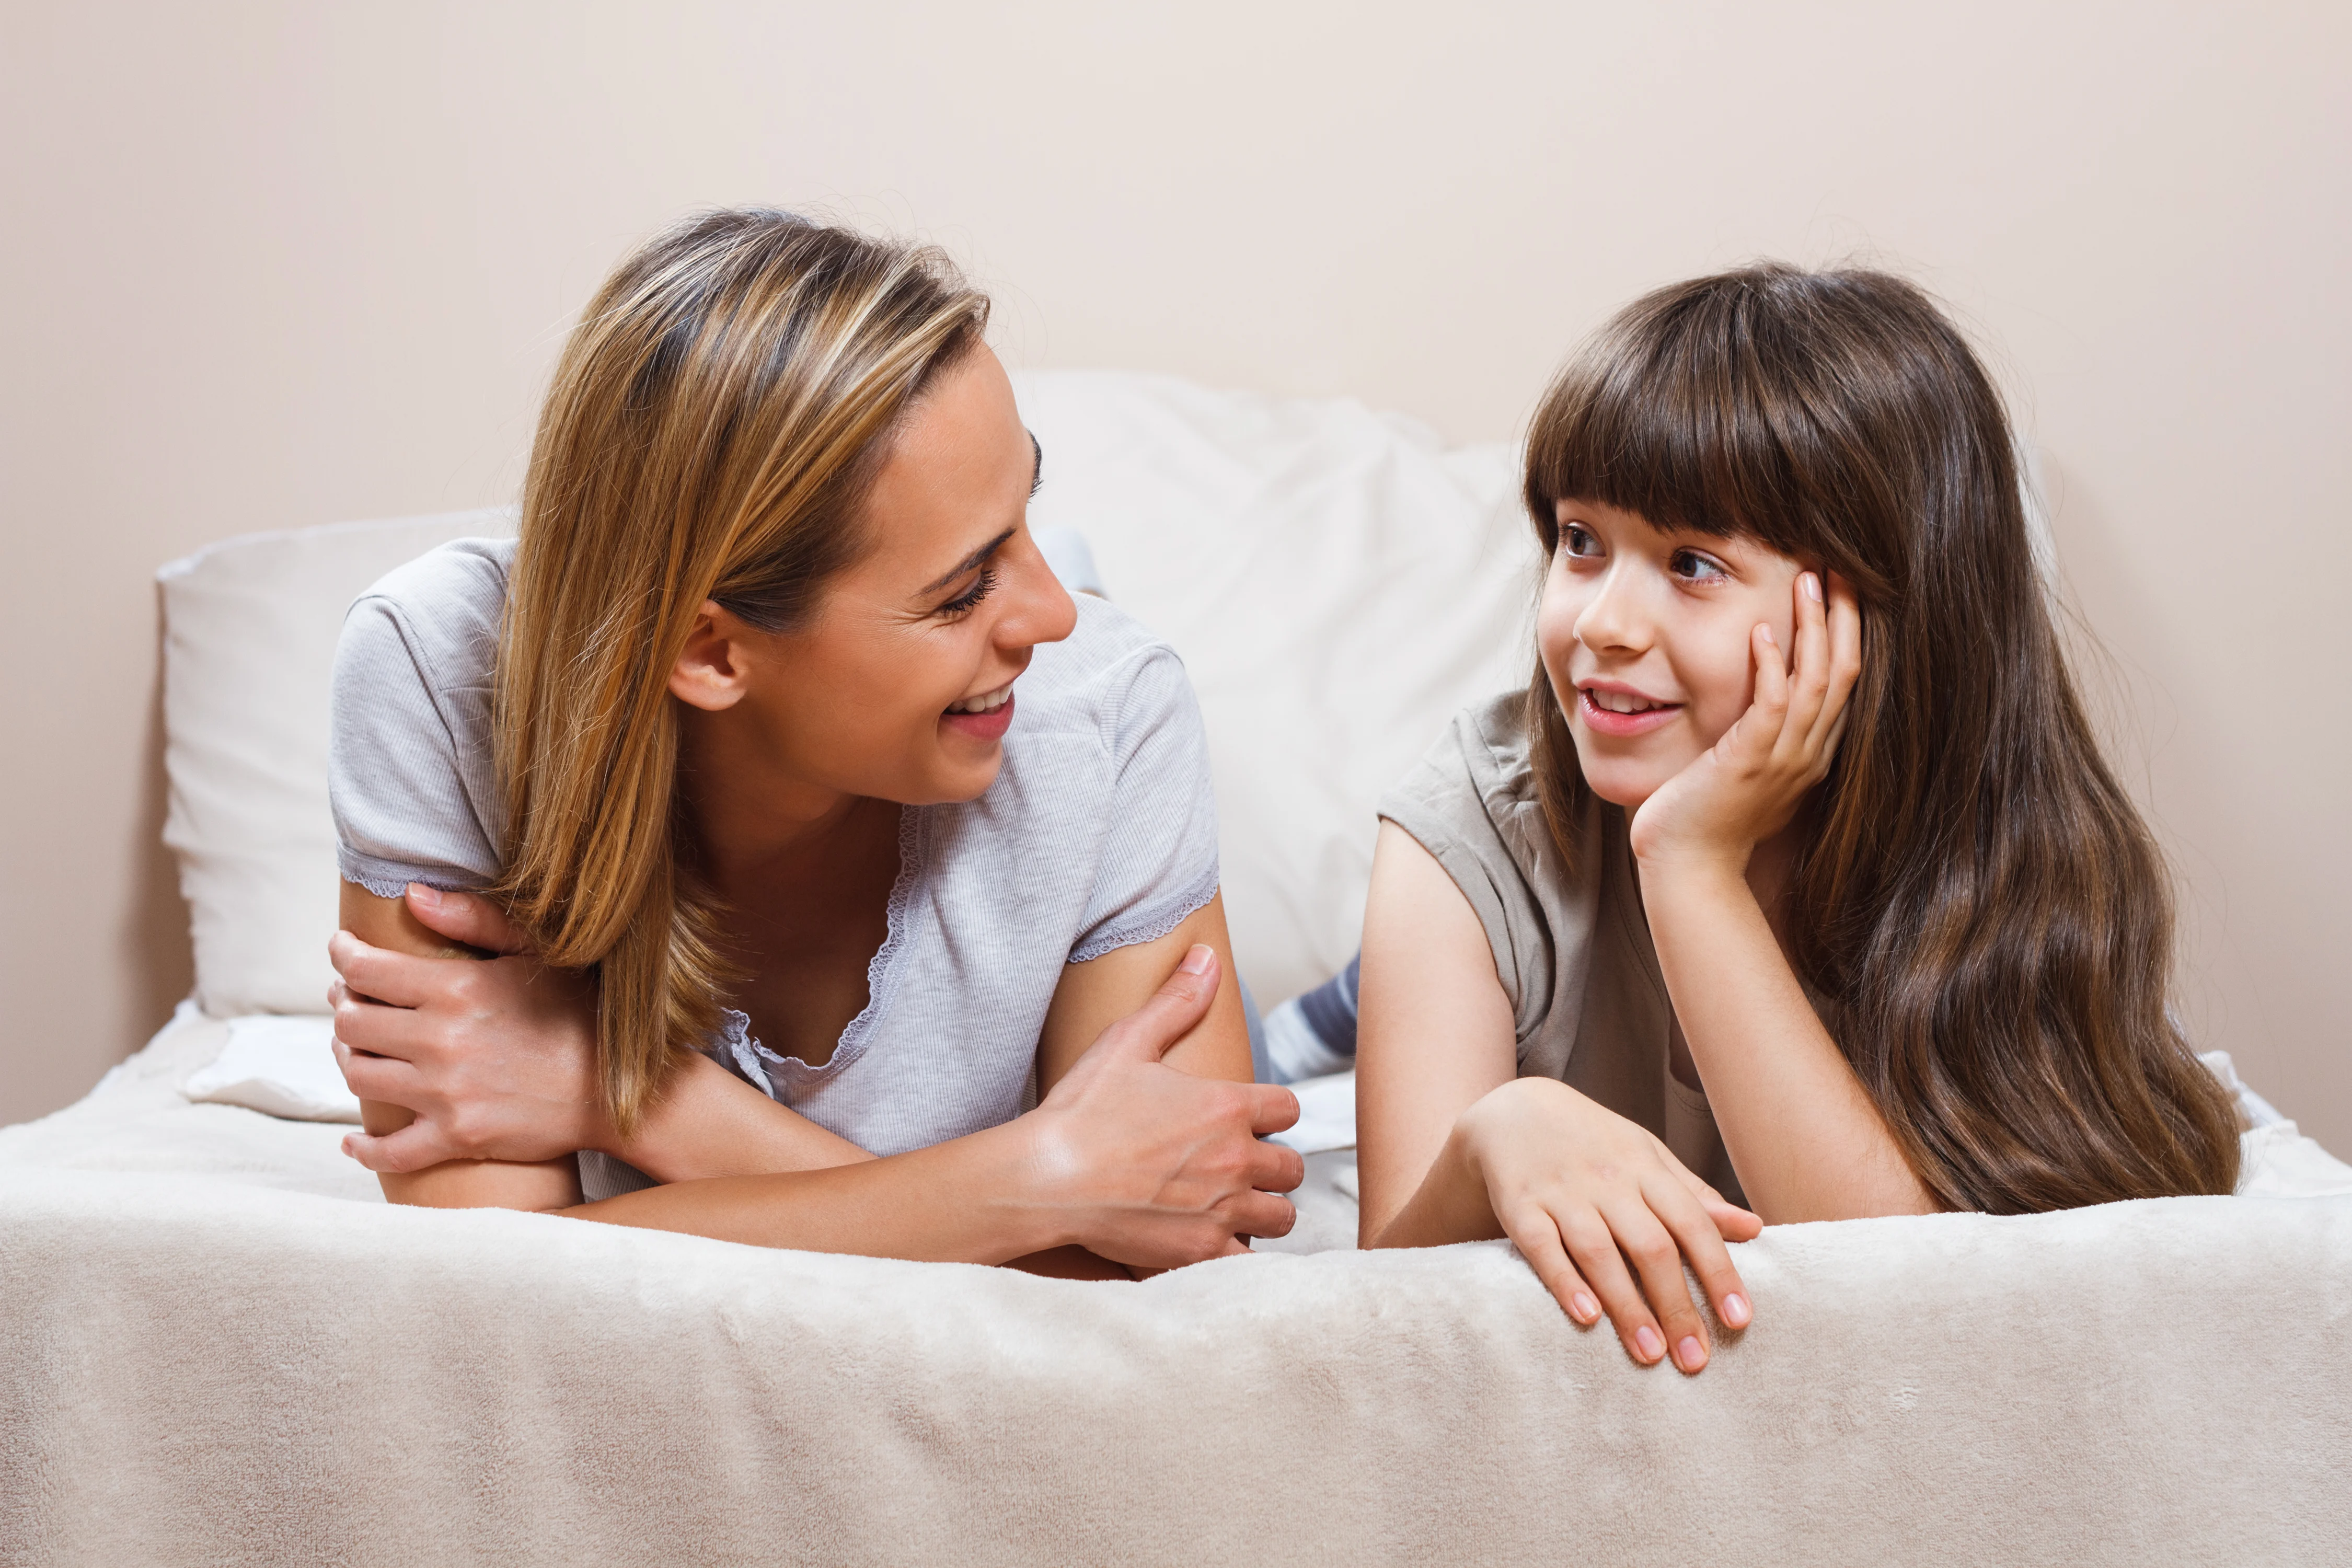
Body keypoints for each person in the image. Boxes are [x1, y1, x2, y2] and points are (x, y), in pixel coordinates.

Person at [324, 208, 1301, 1277]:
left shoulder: (1112, 708)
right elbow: (485, 1284)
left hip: (1041, 771)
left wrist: (627, 1092)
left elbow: (1176, 1295)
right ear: (710, 652)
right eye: (965, 587)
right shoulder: (438, 667)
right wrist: (1047, 1186)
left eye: (1027, 510)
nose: (1050, 614)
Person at [1335, 264, 2240, 1368]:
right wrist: (1495, 1142)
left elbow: (1907, 1325)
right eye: (1581, 542)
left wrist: (1693, 868)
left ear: (1875, 613)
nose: (1604, 622)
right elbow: (1379, 1331)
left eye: (1694, 564)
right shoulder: (1471, 826)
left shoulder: (2001, 853)